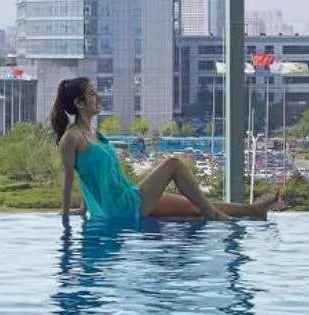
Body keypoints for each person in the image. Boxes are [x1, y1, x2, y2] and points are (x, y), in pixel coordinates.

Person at [52, 78, 280, 223]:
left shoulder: (96, 135)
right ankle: (214, 216)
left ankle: (254, 210)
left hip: (128, 196)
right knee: (173, 164)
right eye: (92, 93)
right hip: (119, 208)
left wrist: (85, 208)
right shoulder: (71, 138)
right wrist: (66, 215)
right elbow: (71, 178)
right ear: (79, 103)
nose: (97, 97)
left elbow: (90, 177)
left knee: (195, 205)